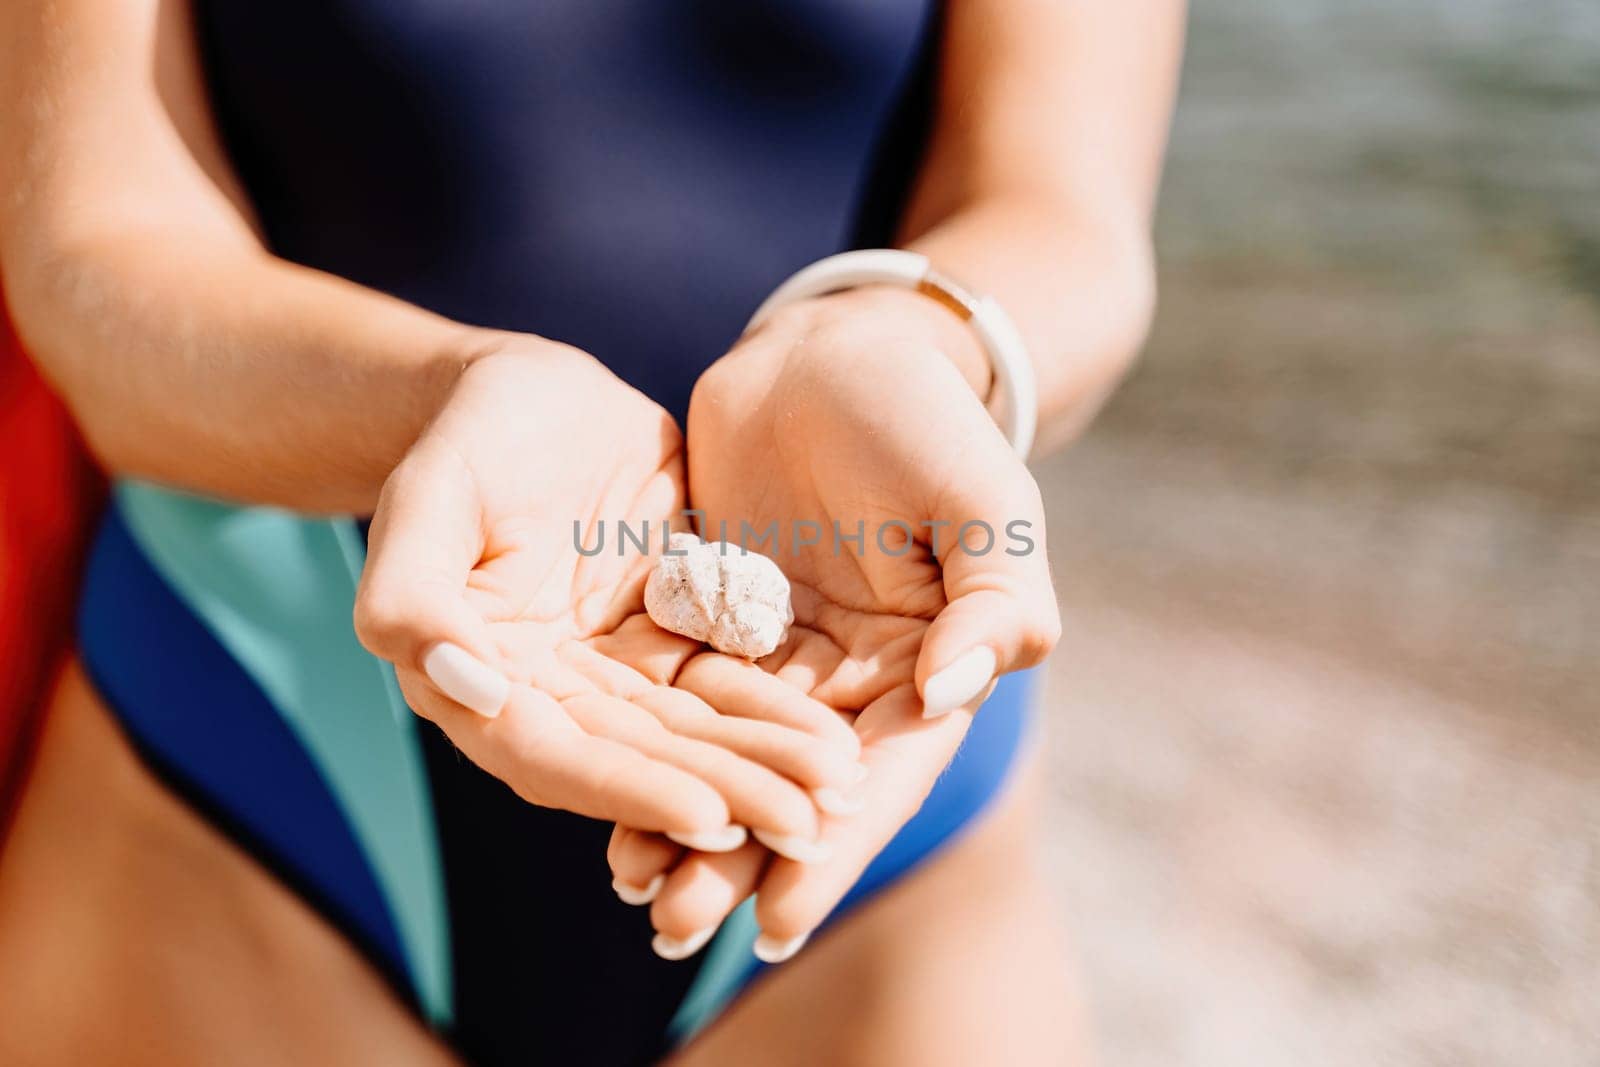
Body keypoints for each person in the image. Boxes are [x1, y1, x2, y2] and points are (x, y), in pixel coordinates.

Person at [0, 1, 1183, 1063]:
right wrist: (438, 396)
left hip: (863, 724)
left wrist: (914, 344)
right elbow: (95, 255)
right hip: (255, 736)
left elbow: (1065, 213)